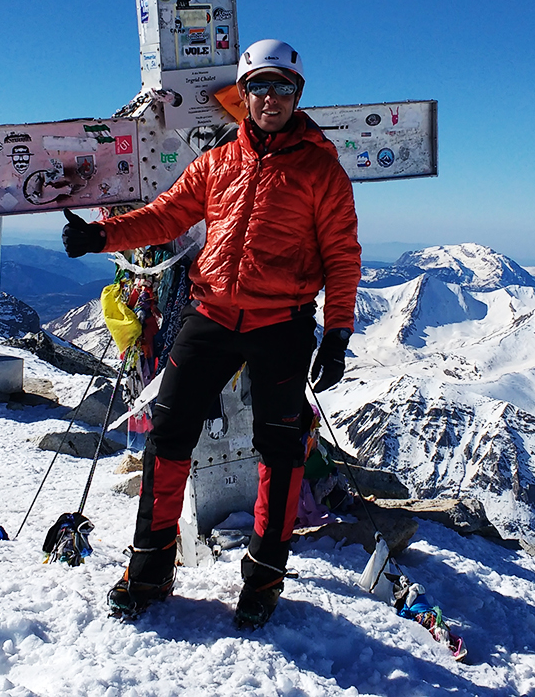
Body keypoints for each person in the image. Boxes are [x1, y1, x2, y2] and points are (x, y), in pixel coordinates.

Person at [62, 38, 361, 629]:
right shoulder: (218, 162)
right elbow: (167, 214)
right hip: (212, 315)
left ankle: (264, 580)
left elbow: (342, 254)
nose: (271, 97)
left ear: (297, 95)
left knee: (280, 447)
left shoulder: (320, 170)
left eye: (283, 87)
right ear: (244, 95)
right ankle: (148, 570)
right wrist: (102, 237)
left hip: (282, 324)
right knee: (169, 435)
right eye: (260, 86)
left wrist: (337, 332)